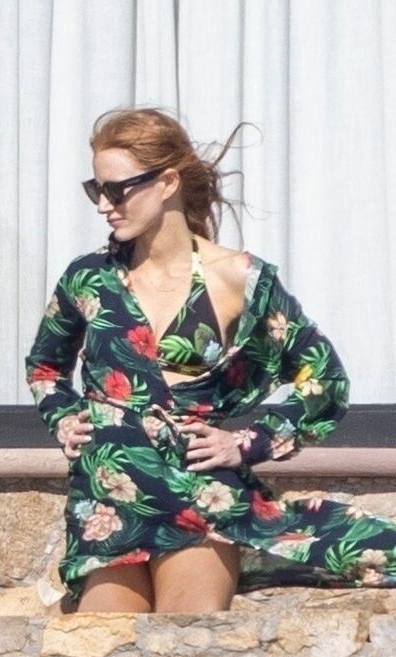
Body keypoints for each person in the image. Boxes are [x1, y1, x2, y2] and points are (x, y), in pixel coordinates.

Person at [26, 107, 396, 614]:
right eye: (96, 190)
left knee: (183, 646)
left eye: (116, 190)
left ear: (167, 182)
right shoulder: (88, 278)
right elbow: (45, 367)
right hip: (109, 501)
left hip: (200, 498)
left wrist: (245, 442)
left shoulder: (240, 279)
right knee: (104, 653)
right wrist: (63, 417)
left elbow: (325, 380)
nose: (104, 206)